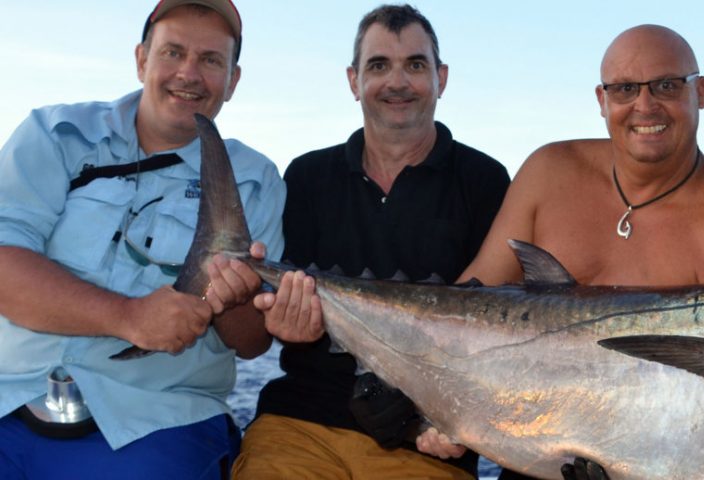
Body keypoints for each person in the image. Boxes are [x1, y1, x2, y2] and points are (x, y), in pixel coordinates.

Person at [415, 24, 704, 479]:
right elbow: (467, 305)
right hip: (524, 447)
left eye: (666, 85)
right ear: (602, 101)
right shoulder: (550, 170)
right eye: (625, 89)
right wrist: (435, 406)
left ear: (700, 92)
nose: (645, 105)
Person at [223, 5, 510, 479]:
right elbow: (272, 315)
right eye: (379, 66)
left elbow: (495, 336)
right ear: (354, 81)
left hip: (424, 439)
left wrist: (456, 423)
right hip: (300, 422)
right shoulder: (307, 176)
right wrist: (284, 323)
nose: (397, 82)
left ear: (441, 78)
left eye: (415, 65)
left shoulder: (485, 182)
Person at [0, 0, 285, 478]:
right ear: (141, 60)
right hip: (9, 395)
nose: (189, 74)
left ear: (233, 81)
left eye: (212, 60)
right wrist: (130, 317)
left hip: (158, 421)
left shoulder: (257, 180)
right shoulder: (54, 134)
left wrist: (237, 298)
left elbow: (253, 344)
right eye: (173, 52)